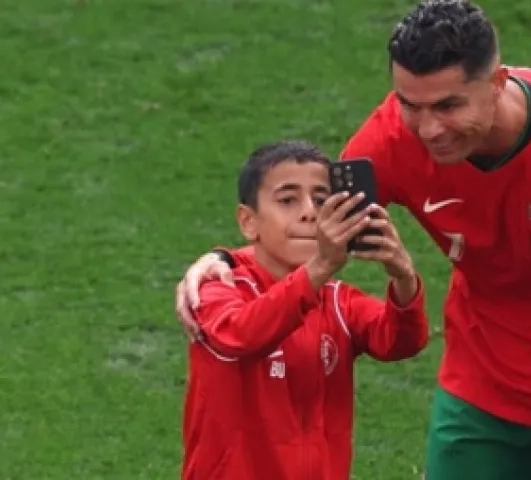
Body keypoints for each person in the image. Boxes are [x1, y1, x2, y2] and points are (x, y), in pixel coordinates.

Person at [175, 1, 531, 479]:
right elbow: (315, 219)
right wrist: (226, 261)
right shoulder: (388, 142)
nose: (429, 129)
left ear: (498, 83)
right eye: (409, 105)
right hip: (486, 390)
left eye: (448, 105)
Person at [181, 140, 429, 480]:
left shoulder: (340, 302)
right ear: (248, 221)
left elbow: (403, 342)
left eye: (321, 200)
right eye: (287, 200)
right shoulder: (216, 288)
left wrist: (403, 277)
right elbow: (239, 334)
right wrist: (321, 267)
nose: (309, 212)